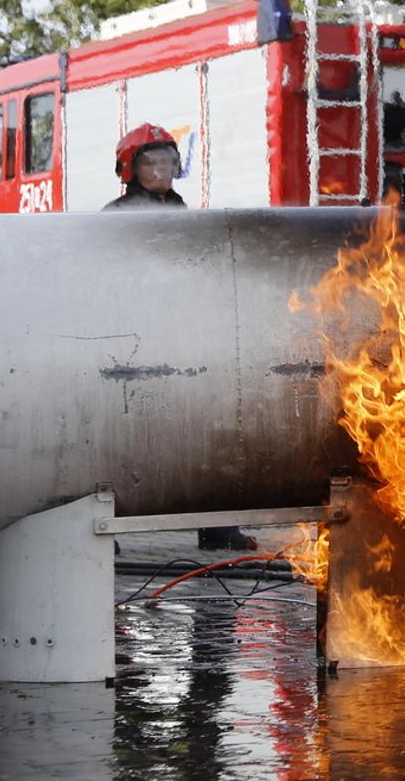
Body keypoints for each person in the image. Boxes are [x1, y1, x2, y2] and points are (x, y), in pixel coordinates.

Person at [104, 124, 252, 550]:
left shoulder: (184, 212)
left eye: (169, 161)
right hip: (134, 352)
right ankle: (104, 531)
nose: (163, 170)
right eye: (152, 162)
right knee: (124, 442)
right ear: (130, 169)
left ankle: (218, 529)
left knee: (208, 435)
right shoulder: (115, 218)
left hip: (185, 344)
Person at [104, 124, 186, 210]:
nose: (161, 167)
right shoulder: (117, 212)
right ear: (132, 170)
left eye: (165, 161)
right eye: (150, 162)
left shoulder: (178, 206)